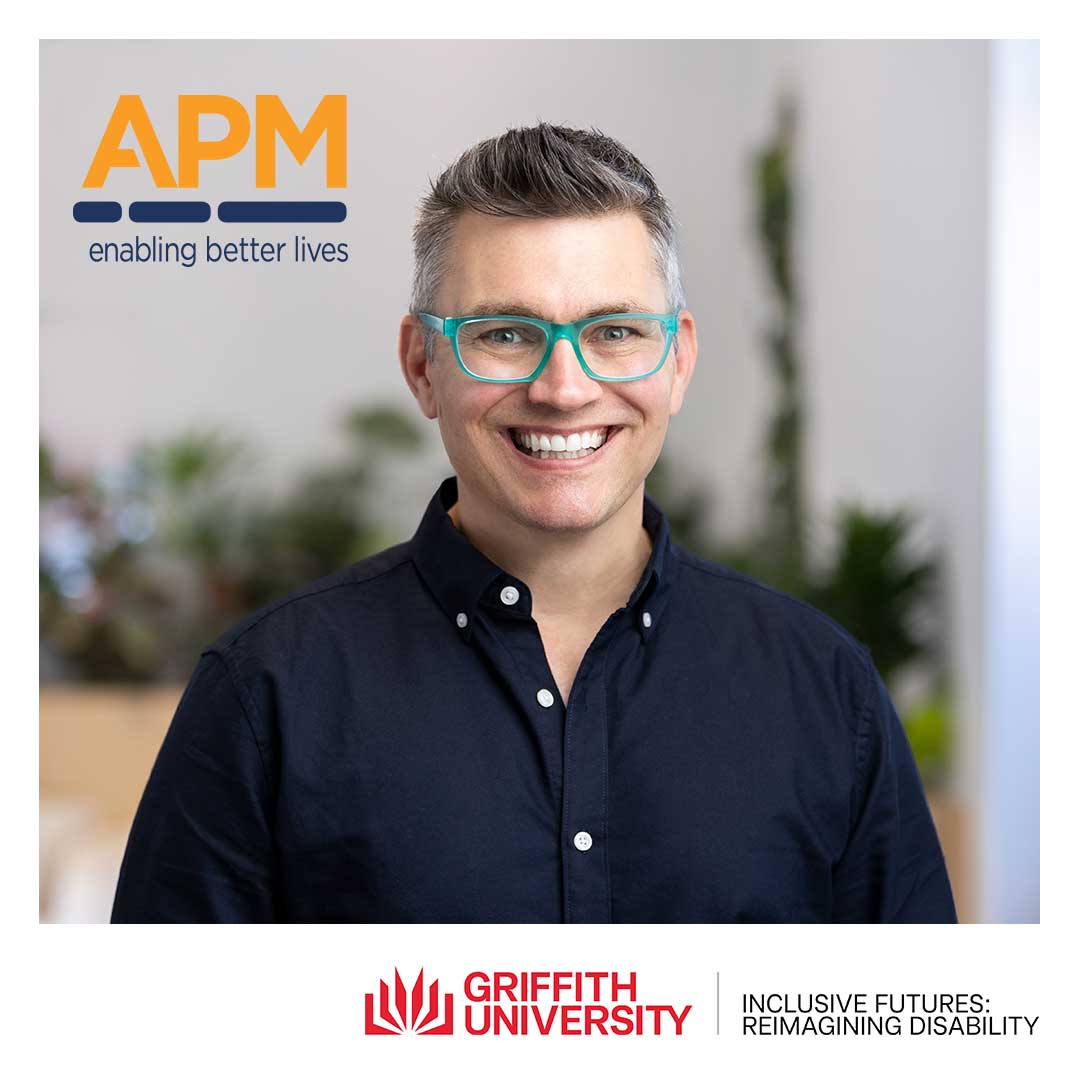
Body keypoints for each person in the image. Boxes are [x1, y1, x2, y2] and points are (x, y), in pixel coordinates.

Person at [111, 123, 956, 923]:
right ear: (422, 365)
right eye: (507, 334)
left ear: (678, 361)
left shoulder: (826, 690)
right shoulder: (266, 694)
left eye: (615, 330)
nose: (564, 387)